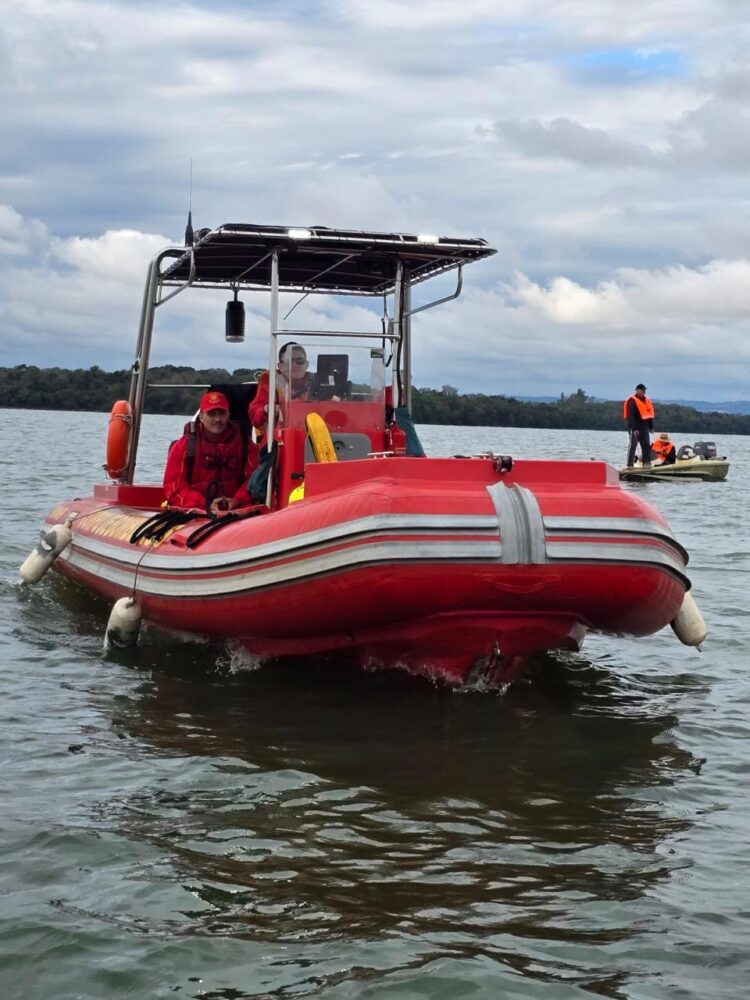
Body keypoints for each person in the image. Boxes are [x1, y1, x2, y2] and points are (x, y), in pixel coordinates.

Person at [164, 390, 258, 513]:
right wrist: (205, 504)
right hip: (195, 511)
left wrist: (237, 500)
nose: (218, 419)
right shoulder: (184, 446)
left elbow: (255, 480)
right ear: (201, 416)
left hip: (236, 511)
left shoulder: (246, 444)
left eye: (222, 413)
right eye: (212, 414)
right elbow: (173, 487)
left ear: (229, 414)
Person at [248, 342, 314, 446]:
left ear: (306, 365)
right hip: (277, 443)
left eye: (299, 361)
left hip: (311, 440)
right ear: (280, 366)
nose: (294, 365)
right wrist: (266, 409)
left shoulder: (316, 381)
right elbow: (255, 416)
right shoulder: (271, 380)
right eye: (288, 361)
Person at [623, 382, 655, 468]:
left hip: (645, 428)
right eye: (642, 390)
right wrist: (634, 428)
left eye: (644, 390)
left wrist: (651, 427)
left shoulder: (647, 400)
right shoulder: (632, 400)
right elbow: (631, 416)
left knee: (646, 446)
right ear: (637, 390)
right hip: (635, 428)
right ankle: (630, 465)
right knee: (633, 446)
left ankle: (647, 463)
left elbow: (650, 415)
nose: (643, 392)